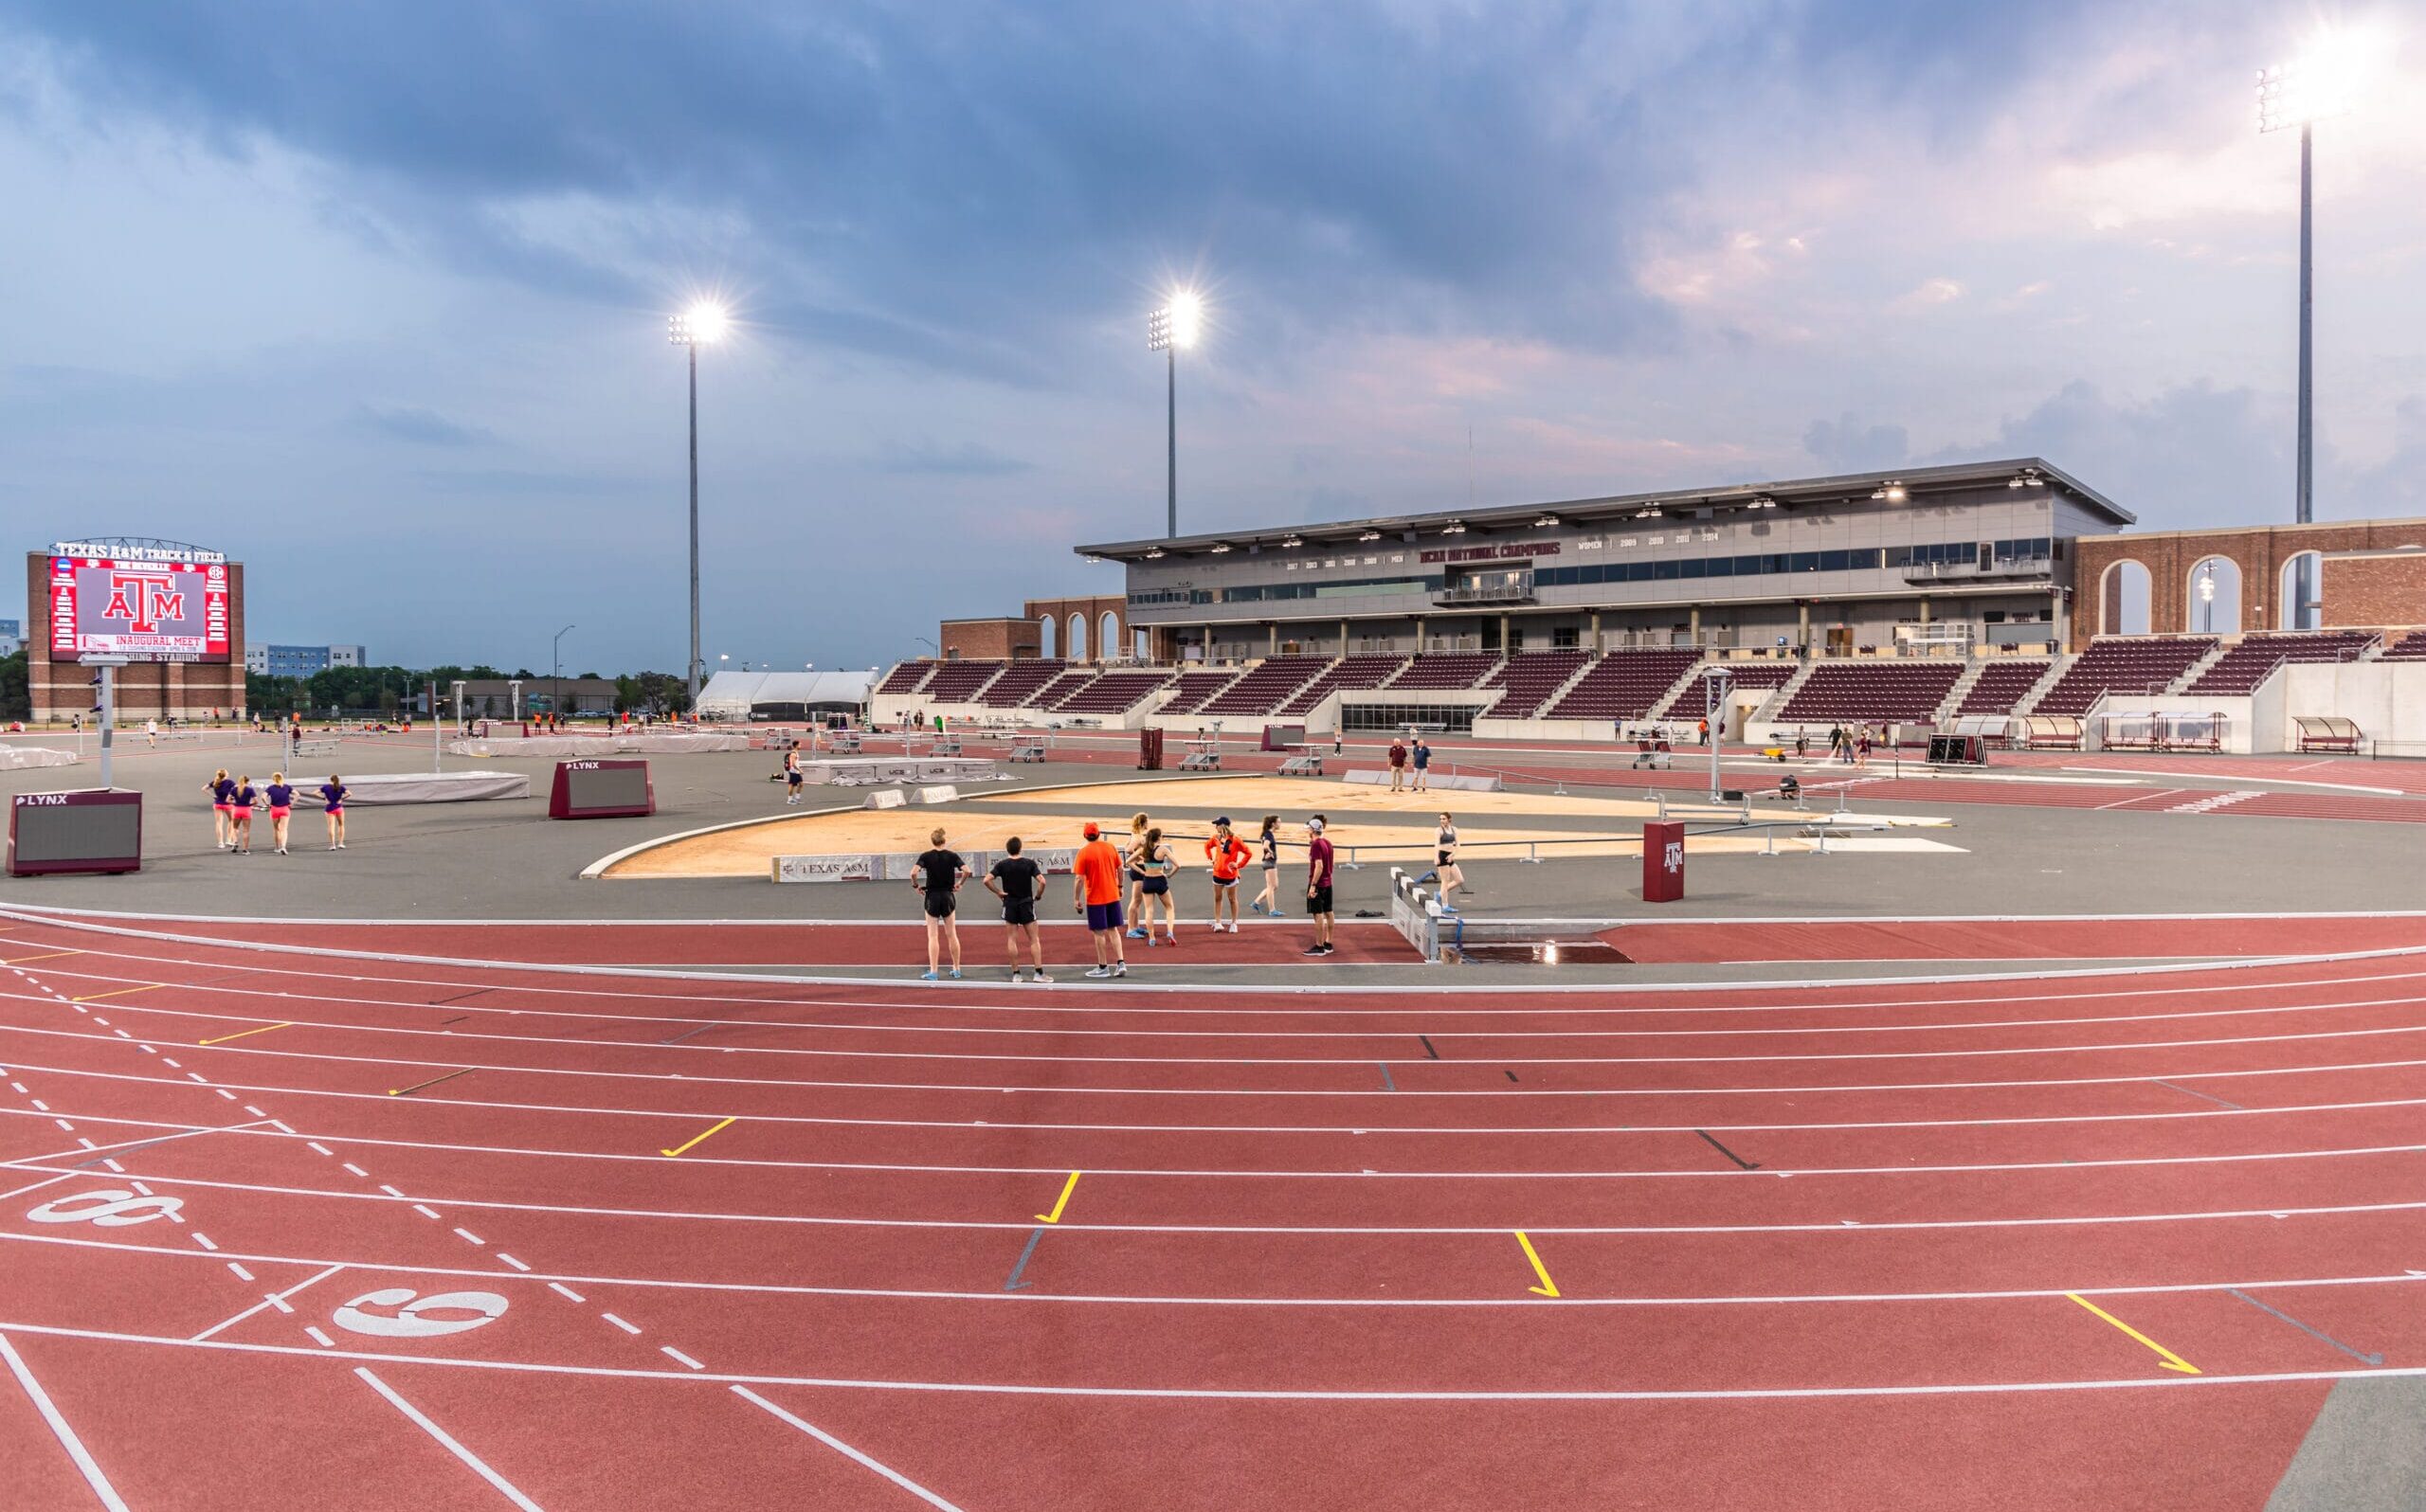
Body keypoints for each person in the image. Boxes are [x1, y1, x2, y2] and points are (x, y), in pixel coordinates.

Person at [984, 837, 1050, 982]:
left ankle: (1016, 974)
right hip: (1026, 903)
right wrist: (1038, 895)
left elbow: (986, 880)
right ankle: (1038, 973)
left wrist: (998, 892)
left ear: (1008, 850)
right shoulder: (1029, 863)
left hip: (1010, 904)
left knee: (1012, 939)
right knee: (1033, 939)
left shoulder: (1002, 865)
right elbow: (1042, 881)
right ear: (1021, 848)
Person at [1073, 821, 1130, 979]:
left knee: (1099, 933)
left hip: (1095, 898)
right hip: (1112, 894)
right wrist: (1120, 886)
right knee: (1113, 929)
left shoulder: (1083, 853)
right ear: (1098, 833)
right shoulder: (1110, 847)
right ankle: (1121, 962)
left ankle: (1103, 966)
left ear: (1085, 836)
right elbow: (1120, 868)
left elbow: (1079, 878)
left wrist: (1076, 899)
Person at [912, 826, 969, 981]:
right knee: (952, 935)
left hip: (932, 897)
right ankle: (956, 969)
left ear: (933, 841)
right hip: (948, 896)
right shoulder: (952, 856)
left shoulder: (926, 856)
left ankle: (934, 971)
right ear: (944, 841)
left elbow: (913, 872)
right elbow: (967, 870)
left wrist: (916, 886)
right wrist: (960, 884)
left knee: (933, 936)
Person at [1132, 826, 1180, 945]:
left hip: (1147, 881)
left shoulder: (1144, 850)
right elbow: (1178, 865)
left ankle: (1152, 938)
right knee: (1169, 907)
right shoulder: (1162, 849)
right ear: (1158, 838)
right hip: (1160, 881)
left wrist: (1142, 872)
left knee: (1149, 910)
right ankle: (1170, 932)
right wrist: (1169, 875)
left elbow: (1129, 862)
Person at [1204, 817, 1250, 933]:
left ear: (1223, 825)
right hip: (1218, 874)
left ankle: (1234, 923)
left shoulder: (1236, 840)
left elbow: (1248, 853)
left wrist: (1238, 865)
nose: (1215, 827)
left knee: (1232, 899)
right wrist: (1211, 859)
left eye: (1217, 825)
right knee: (1217, 898)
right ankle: (1218, 922)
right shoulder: (1216, 838)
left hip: (1230, 876)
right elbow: (1207, 846)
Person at [1303, 816, 1336, 956]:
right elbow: (1330, 864)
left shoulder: (1316, 845)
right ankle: (1328, 943)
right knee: (1329, 912)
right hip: (1328, 883)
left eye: (1308, 828)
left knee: (1318, 915)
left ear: (1312, 830)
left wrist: (1313, 885)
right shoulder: (1328, 843)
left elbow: (1319, 866)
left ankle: (1319, 946)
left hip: (1319, 883)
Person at [1123, 810, 1152, 940]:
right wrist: (1140, 857)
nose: (1148, 824)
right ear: (1143, 823)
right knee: (1135, 901)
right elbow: (1129, 850)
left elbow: (1126, 847)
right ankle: (1130, 929)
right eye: (1147, 822)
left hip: (1138, 869)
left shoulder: (1135, 834)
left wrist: (1138, 855)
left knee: (1138, 901)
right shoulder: (1139, 837)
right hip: (1138, 870)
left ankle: (1136, 926)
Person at [1249, 814, 1286, 917]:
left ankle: (1256, 902)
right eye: (1279, 822)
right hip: (1269, 862)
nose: (1280, 824)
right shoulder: (1268, 834)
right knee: (1271, 886)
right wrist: (1271, 852)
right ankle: (1272, 910)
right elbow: (1265, 846)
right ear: (1273, 824)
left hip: (1269, 863)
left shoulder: (1266, 833)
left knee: (1274, 886)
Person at [1426, 812, 1467, 900]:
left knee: (1459, 880)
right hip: (1442, 856)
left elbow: (1458, 845)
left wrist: (1452, 855)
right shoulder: (1439, 830)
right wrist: (1436, 857)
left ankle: (1440, 893)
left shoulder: (1454, 829)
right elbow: (1436, 845)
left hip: (1449, 856)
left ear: (1449, 819)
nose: (1442, 821)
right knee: (1445, 881)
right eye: (1440, 819)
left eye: (1444, 819)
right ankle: (1445, 905)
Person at [263, 771, 296, 855]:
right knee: (284, 829)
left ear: (273, 779)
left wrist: (267, 804)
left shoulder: (270, 788)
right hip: (285, 809)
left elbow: (263, 797)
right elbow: (297, 794)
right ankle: (283, 847)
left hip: (274, 809)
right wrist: (292, 803)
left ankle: (277, 847)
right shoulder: (287, 787)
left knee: (276, 829)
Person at [227, 774, 258, 855]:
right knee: (246, 830)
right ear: (247, 781)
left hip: (237, 810)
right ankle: (245, 849)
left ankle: (235, 842)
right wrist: (249, 804)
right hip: (246, 810)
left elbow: (228, 800)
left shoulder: (234, 789)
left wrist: (235, 803)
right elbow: (255, 801)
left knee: (235, 828)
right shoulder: (250, 789)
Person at [206, 768, 235, 850]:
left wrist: (213, 796)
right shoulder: (230, 782)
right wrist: (233, 797)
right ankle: (229, 839)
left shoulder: (215, 781)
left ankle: (220, 843)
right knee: (232, 821)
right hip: (228, 804)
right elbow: (236, 790)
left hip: (218, 804)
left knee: (219, 823)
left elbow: (204, 789)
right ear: (226, 774)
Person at [319, 774, 349, 849]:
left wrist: (324, 798)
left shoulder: (325, 787)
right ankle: (341, 843)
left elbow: (314, 793)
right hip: (339, 808)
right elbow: (349, 793)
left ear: (330, 780)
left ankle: (333, 845)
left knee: (331, 827)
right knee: (341, 825)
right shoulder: (340, 787)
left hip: (329, 808)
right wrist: (341, 799)